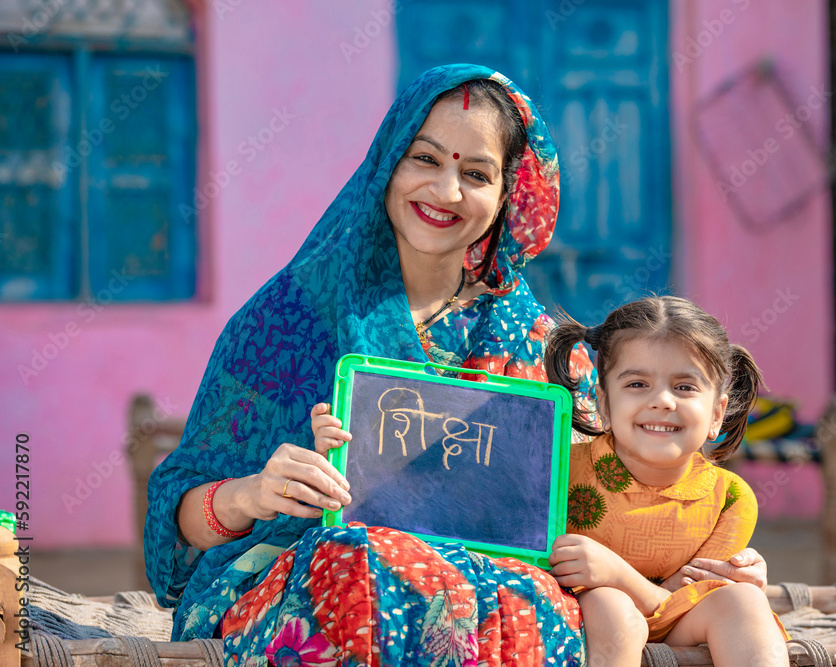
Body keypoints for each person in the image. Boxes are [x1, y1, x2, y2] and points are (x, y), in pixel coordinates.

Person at [144, 64, 766, 664]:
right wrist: (253, 494)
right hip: (306, 572)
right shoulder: (287, 320)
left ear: (506, 195)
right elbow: (178, 525)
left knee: (563, 610)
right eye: (425, 159)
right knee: (361, 564)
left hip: (498, 587)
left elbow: (611, 493)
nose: (446, 192)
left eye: (476, 173)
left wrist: (709, 565)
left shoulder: (533, 341)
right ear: (388, 163)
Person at [544, 296, 790, 667]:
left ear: (716, 414)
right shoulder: (561, 472)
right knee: (615, 610)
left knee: (744, 600)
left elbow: (682, 598)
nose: (662, 401)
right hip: (585, 617)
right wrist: (613, 586)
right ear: (605, 404)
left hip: (678, 619)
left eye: (685, 387)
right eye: (638, 383)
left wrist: (617, 573)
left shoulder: (730, 499)